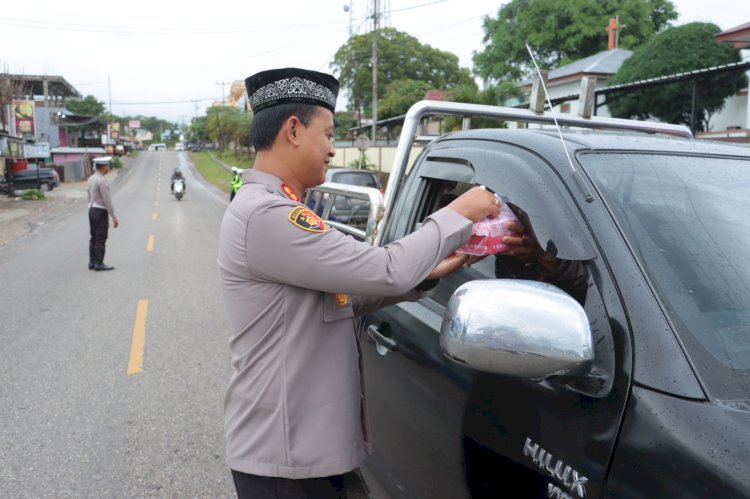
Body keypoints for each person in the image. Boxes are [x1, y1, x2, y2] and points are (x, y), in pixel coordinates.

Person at [218, 67, 499, 499]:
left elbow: (340, 297)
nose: (333, 149)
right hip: (286, 461)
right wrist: (461, 211)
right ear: (293, 130)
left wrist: (426, 273)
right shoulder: (269, 216)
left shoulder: (277, 209)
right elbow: (387, 267)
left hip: (305, 451)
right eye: (328, 134)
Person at [87, 159, 118, 271]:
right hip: (100, 211)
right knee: (101, 237)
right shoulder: (101, 180)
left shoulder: (91, 178)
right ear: (102, 167)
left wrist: (90, 205)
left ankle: (92, 262)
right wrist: (113, 216)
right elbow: (107, 200)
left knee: (93, 237)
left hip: (91, 209)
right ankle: (99, 263)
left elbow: (88, 194)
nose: (108, 168)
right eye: (107, 166)